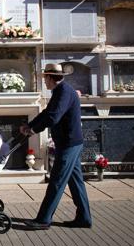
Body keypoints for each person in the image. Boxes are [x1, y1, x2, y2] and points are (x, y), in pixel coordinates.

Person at [20, 63, 92, 230]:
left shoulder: (64, 92)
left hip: (68, 144)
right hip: (70, 142)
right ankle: (84, 218)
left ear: (51, 78)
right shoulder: (60, 91)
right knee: (76, 182)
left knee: (57, 182)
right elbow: (47, 113)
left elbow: (53, 117)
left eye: (45, 77)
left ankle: (43, 219)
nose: (44, 81)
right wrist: (30, 126)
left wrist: (32, 130)